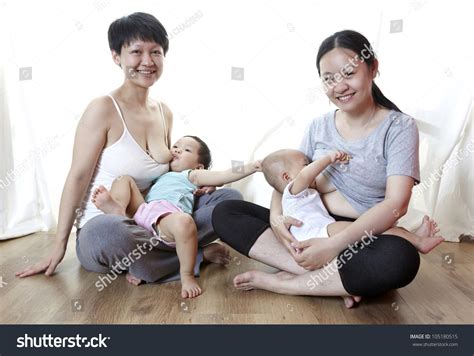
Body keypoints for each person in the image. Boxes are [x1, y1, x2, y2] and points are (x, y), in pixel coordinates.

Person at [16, 12, 242, 285]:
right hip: (106, 227)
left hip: (150, 221)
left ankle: (160, 259)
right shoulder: (102, 109)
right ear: (116, 56)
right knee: (110, 233)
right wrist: (59, 246)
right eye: (136, 52)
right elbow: (77, 177)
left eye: (155, 52)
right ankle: (195, 255)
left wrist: (196, 187)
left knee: (230, 199)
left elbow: (164, 176)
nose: (147, 62)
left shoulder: (164, 113)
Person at [212, 30, 425, 308]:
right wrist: (277, 220)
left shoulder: (399, 128)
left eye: (348, 73)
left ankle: (285, 282)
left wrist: (333, 246)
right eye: (329, 79)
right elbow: (289, 180)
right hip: (307, 224)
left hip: (363, 234)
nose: (339, 87)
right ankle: (336, 280)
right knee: (227, 211)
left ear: (373, 67)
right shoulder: (318, 126)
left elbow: (397, 205)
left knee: (401, 259)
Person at [91, 135, 261, 298]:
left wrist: (252, 165)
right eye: (176, 146)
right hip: (143, 211)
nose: (178, 150)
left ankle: (186, 275)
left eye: (186, 149)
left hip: (167, 217)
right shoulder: (159, 174)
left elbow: (224, 174)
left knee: (184, 221)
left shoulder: (191, 175)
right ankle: (117, 209)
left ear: (199, 167)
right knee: (124, 179)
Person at [261, 148, 443, 254]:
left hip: (319, 232)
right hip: (316, 232)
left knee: (375, 232)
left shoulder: (303, 192)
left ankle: (414, 236)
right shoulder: (292, 190)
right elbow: (306, 175)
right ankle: (418, 243)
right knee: (375, 228)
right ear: (287, 176)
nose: (309, 166)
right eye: (305, 163)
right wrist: (329, 158)